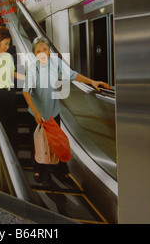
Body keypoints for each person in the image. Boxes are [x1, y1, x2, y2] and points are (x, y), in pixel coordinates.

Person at [22, 36, 111, 186]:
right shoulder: (32, 68)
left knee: (58, 142)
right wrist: (36, 112)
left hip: (53, 112)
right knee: (37, 142)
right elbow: (25, 91)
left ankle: (60, 170)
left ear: (49, 50)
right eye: (38, 51)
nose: (42, 52)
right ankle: (38, 168)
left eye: (44, 48)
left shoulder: (56, 63)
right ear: (34, 54)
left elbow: (73, 75)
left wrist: (92, 82)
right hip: (36, 113)